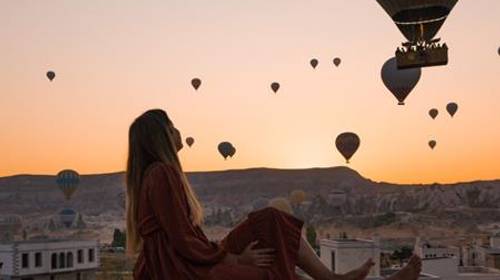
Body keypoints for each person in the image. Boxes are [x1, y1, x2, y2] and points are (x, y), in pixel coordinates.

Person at [126, 109, 422, 280]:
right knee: (266, 274)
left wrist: (226, 254)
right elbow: (183, 241)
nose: (180, 132)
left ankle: (331, 279)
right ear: (163, 134)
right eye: (173, 127)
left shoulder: (152, 175)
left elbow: (186, 238)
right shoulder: (162, 173)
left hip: (187, 258)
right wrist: (235, 261)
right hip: (179, 269)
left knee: (271, 219)